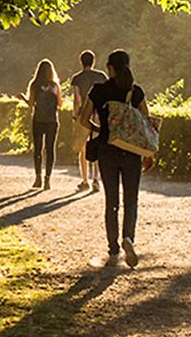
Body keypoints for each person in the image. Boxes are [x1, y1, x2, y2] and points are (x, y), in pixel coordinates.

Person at [78, 49, 149, 269]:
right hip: (132, 152)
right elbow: (146, 123)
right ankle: (129, 237)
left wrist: (102, 131)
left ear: (109, 68)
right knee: (131, 200)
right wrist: (149, 154)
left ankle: (113, 247)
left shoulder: (99, 90)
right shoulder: (135, 91)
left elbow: (83, 119)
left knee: (112, 202)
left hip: (107, 151)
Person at [13, 60, 63, 189]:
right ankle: (48, 179)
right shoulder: (55, 85)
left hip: (38, 120)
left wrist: (23, 97)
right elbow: (60, 104)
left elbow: (31, 104)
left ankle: (38, 178)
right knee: (50, 150)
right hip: (52, 121)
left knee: (38, 149)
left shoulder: (34, 84)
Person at [67, 50, 109, 193]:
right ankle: (96, 179)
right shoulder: (102, 76)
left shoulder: (77, 78)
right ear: (93, 61)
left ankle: (85, 181)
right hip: (99, 114)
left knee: (83, 148)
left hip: (84, 115)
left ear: (81, 62)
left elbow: (77, 100)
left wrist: (75, 115)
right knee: (96, 146)